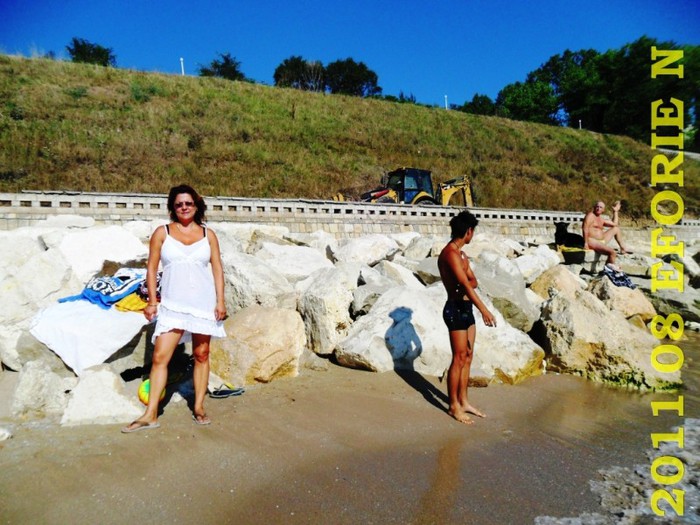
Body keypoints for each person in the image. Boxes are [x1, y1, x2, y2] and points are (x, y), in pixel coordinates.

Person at [122, 184, 227, 432]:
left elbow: (217, 269)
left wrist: (220, 301)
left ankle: (199, 407)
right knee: (160, 357)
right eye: (179, 204)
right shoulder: (163, 233)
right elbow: (151, 268)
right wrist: (152, 301)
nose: (184, 207)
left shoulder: (208, 235)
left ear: (196, 205)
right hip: (172, 305)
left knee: (201, 354)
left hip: (202, 304)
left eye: (188, 203)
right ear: (173, 207)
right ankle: (150, 414)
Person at [437, 211, 496, 425]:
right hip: (454, 309)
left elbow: (473, 282)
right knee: (459, 357)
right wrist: (484, 310)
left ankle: (464, 401)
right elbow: (465, 283)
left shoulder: (462, 255)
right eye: (473, 232)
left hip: (466, 307)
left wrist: (465, 285)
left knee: (468, 356)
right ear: (468, 231)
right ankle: (453, 406)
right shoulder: (450, 254)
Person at [582, 200, 632, 272]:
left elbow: (615, 224)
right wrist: (586, 243)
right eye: (597, 207)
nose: (598, 208)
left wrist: (615, 212)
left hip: (602, 241)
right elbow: (585, 228)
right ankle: (608, 271)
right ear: (594, 207)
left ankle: (623, 248)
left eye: (600, 207)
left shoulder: (601, 219)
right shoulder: (590, 215)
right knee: (612, 252)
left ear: (603, 210)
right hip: (592, 241)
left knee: (616, 229)